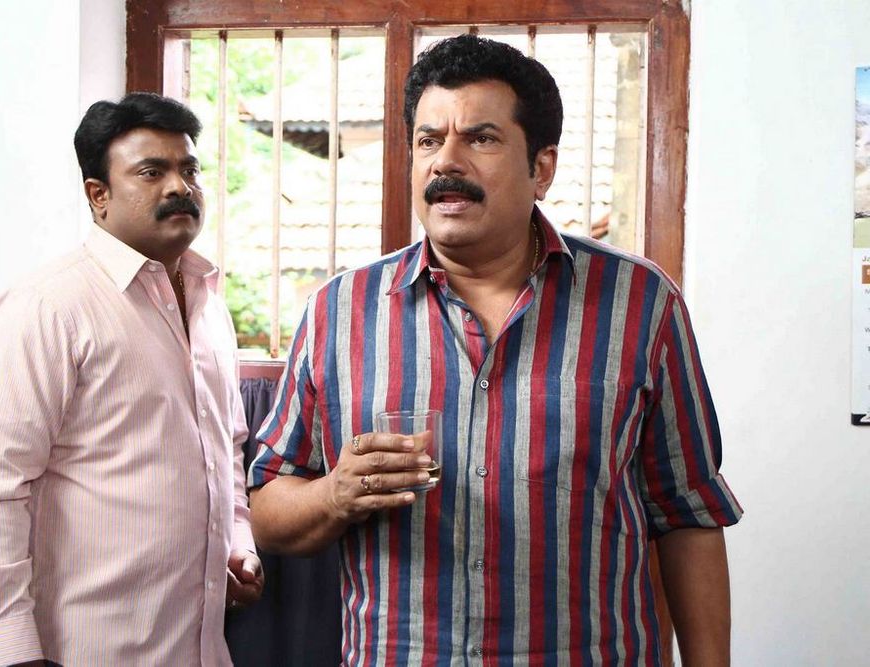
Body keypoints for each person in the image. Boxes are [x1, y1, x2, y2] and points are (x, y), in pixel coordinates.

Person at [248, 35, 742, 665]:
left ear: (542, 168)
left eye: (480, 139)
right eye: (429, 140)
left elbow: (689, 515)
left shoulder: (639, 304)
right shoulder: (339, 311)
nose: (445, 163)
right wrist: (335, 494)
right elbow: (266, 508)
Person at [0, 92, 263, 667]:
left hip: (199, 646)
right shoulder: (47, 307)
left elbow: (227, 448)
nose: (180, 187)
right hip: (89, 648)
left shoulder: (209, 305)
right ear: (98, 195)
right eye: (152, 172)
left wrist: (237, 543)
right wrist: (13, 650)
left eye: (189, 169)